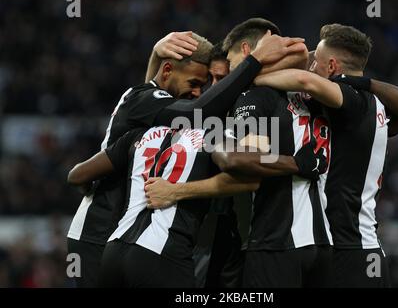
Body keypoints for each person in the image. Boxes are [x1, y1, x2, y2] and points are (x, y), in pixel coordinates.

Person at [66, 30, 303, 287]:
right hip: (99, 232)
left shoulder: (160, 115)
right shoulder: (144, 100)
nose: (199, 91)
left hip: (125, 238)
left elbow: (78, 175)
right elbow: (197, 114)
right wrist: (254, 61)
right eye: (194, 83)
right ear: (167, 71)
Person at [146, 18, 332, 288]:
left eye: (223, 77)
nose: (215, 86)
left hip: (243, 241)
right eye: (209, 79)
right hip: (223, 238)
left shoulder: (251, 100)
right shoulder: (306, 95)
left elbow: (244, 170)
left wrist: (175, 191)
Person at [252, 23, 398, 287]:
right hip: (364, 249)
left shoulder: (354, 102)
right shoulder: (371, 107)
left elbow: (304, 80)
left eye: (315, 62)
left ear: (331, 67)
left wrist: (249, 77)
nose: (310, 67)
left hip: (350, 250)